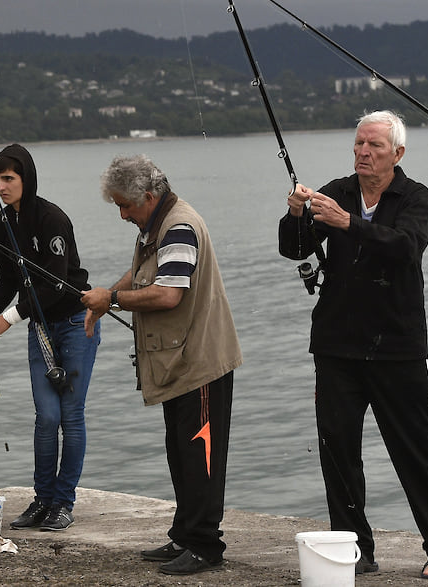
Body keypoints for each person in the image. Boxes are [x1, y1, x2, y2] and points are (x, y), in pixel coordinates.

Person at [278, 110, 428, 580]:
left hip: (398, 346)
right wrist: (297, 213)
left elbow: (406, 247)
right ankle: (355, 549)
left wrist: (348, 224)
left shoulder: (414, 197)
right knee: (338, 450)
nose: (364, 152)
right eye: (359, 144)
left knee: (418, 448)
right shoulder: (337, 191)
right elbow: (294, 248)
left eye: (375, 146)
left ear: (397, 153)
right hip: (337, 346)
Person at [82, 154, 242, 576]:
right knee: (181, 451)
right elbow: (141, 274)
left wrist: (110, 300)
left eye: (125, 205)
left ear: (148, 197)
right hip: (178, 362)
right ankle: (185, 534)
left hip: (201, 362)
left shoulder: (179, 227)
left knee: (201, 455)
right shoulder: (156, 225)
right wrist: (107, 295)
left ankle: (206, 545)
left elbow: (168, 294)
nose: (122, 214)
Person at [0, 144, 100, 532]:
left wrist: (7, 318)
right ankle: (42, 500)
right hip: (40, 328)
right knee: (46, 417)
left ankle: (64, 502)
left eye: (8, 178)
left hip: (76, 322)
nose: (1, 186)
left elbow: (58, 284)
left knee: (70, 417)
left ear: (27, 178)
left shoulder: (52, 219)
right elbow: (9, 278)